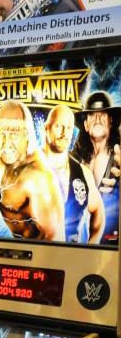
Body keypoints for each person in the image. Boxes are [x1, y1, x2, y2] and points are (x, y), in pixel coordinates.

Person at [0, 100, 65, 240]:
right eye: (1, 134)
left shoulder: (38, 178)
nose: (6, 142)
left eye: (13, 134)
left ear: (26, 135)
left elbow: (53, 240)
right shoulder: (0, 156)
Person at [43, 104, 104, 244]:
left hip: (73, 261)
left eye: (69, 127)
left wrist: (92, 247)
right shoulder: (30, 167)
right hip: (36, 260)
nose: (64, 133)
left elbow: (98, 211)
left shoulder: (83, 172)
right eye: (59, 126)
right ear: (46, 127)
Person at [70, 91, 121, 245]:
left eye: (103, 114)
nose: (97, 118)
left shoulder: (118, 156)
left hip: (111, 251)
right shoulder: (74, 160)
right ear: (85, 125)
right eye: (92, 115)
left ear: (110, 121)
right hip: (77, 249)